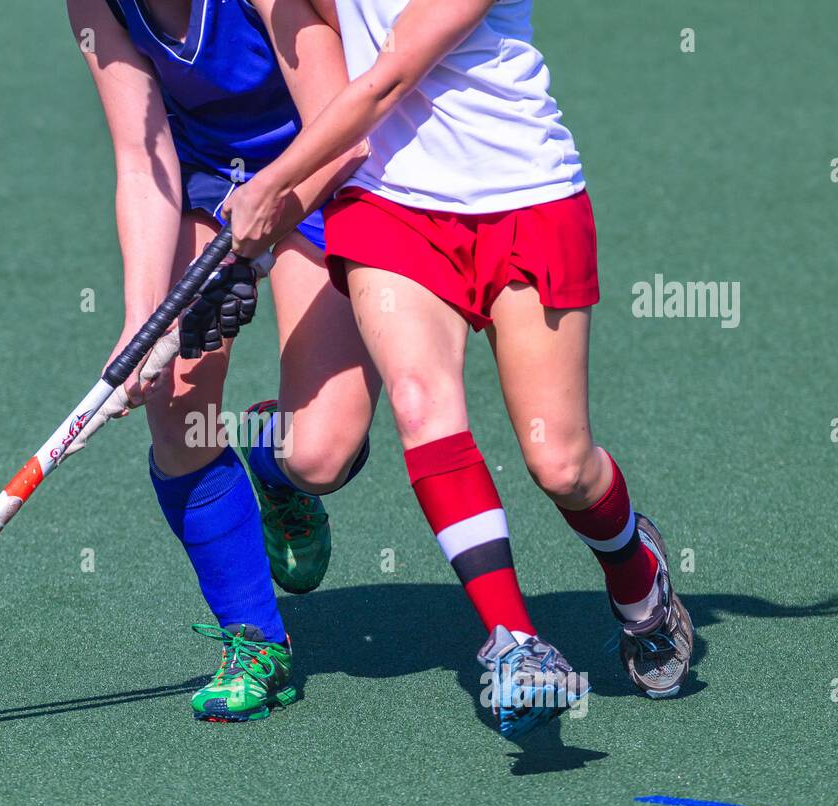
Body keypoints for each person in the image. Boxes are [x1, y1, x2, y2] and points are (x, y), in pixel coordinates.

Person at [225, 0, 694, 737]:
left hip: (526, 201)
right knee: (420, 402)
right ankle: (514, 641)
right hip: (388, 207)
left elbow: (391, 74)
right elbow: (319, 74)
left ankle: (637, 571)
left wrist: (267, 190)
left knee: (562, 465)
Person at [67, 0, 380, 720]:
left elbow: (346, 132)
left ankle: (276, 467)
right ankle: (255, 642)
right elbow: (140, 160)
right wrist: (141, 322)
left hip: (326, 169)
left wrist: (254, 235)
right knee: (174, 405)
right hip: (212, 179)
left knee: (321, 455)